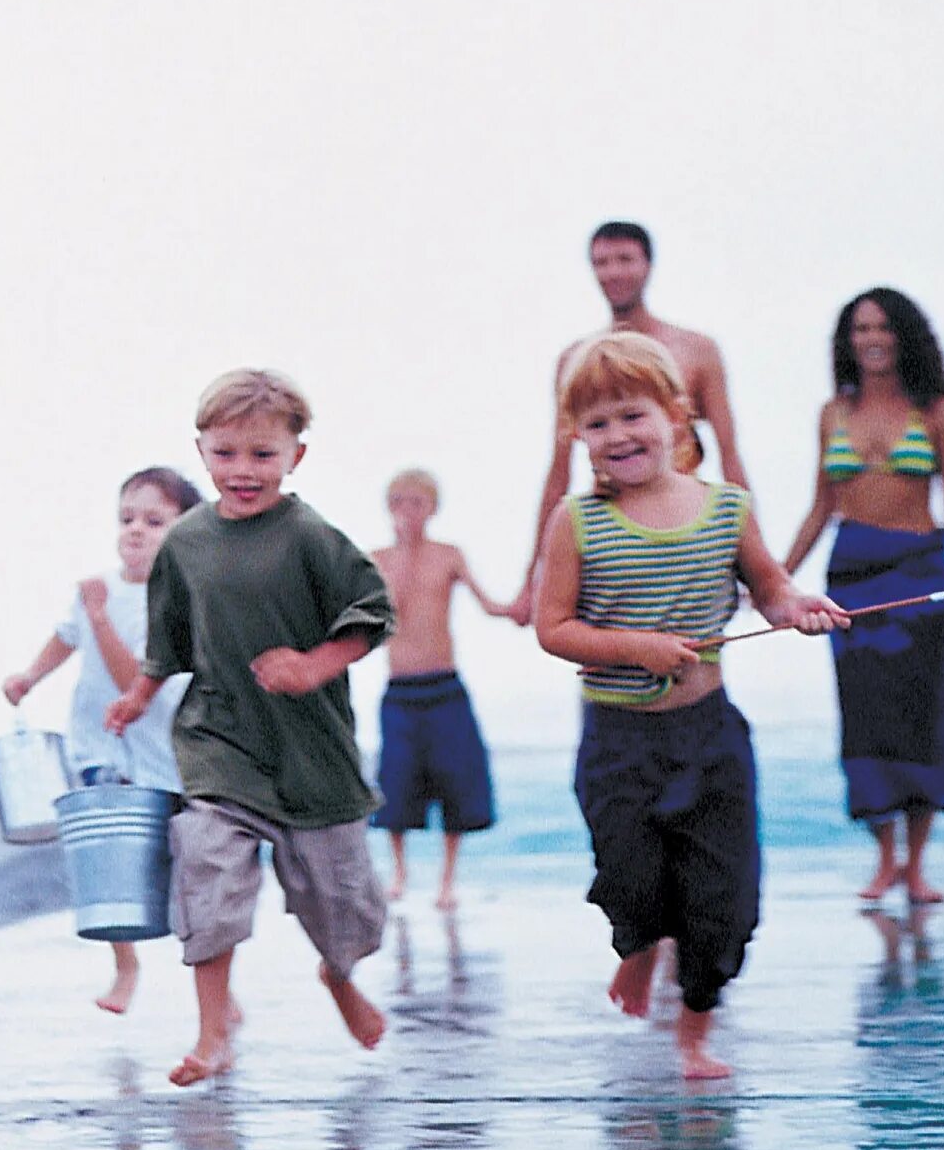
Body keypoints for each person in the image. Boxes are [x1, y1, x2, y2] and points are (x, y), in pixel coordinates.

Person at [531, 331, 845, 1083]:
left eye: (632, 415)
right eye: (598, 424)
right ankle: (637, 943)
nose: (618, 435)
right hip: (618, 737)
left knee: (724, 896)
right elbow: (553, 627)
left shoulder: (727, 508)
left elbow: (767, 588)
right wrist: (636, 647)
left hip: (708, 731)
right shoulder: (576, 521)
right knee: (633, 878)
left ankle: (695, 1033)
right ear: (578, 437)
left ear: (675, 415)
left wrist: (796, 605)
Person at [102, 369, 394, 1089]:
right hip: (218, 741)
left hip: (310, 753)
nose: (243, 471)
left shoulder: (312, 537)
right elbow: (169, 635)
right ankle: (211, 1033)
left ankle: (339, 974)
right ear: (201, 449)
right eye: (226, 453)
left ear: (297, 453)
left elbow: (373, 612)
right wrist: (141, 692)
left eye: (263, 454)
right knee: (205, 866)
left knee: (344, 908)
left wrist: (314, 663)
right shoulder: (187, 543)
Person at [779, 289, 944, 907]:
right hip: (853, 579)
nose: (871, 338)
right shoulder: (831, 413)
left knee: (924, 717)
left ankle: (917, 866)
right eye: (860, 328)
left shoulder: (937, 411)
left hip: (921, 574)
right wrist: (776, 579)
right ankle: (884, 857)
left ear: (905, 337)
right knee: (866, 718)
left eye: (883, 328)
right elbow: (821, 505)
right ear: (848, 340)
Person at [1, 466, 202, 1014]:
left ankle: (212, 989)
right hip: (99, 746)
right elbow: (67, 638)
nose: (135, 530)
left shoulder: (176, 598)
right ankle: (125, 967)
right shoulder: (100, 587)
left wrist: (98, 614)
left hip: (162, 755)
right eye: (127, 518)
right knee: (109, 861)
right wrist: (29, 676)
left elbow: (131, 680)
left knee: (178, 871)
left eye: (154, 521)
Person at [515, 222, 750, 617]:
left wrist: (754, 567)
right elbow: (557, 470)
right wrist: (531, 579)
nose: (613, 272)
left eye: (624, 259)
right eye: (601, 263)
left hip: (686, 531)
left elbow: (730, 454)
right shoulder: (576, 361)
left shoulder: (696, 351)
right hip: (613, 535)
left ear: (648, 265)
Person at [367, 469, 512, 910]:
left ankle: (447, 882)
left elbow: (489, 604)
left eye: (418, 502)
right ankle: (399, 873)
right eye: (401, 502)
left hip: (445, 686)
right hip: (400, 689)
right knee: (395, 781)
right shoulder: (378, 560)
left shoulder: (449, 555)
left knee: (457, 780)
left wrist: (527, 606)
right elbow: (367, 613)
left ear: (433, 507)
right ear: (389, 507)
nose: (409, 510)